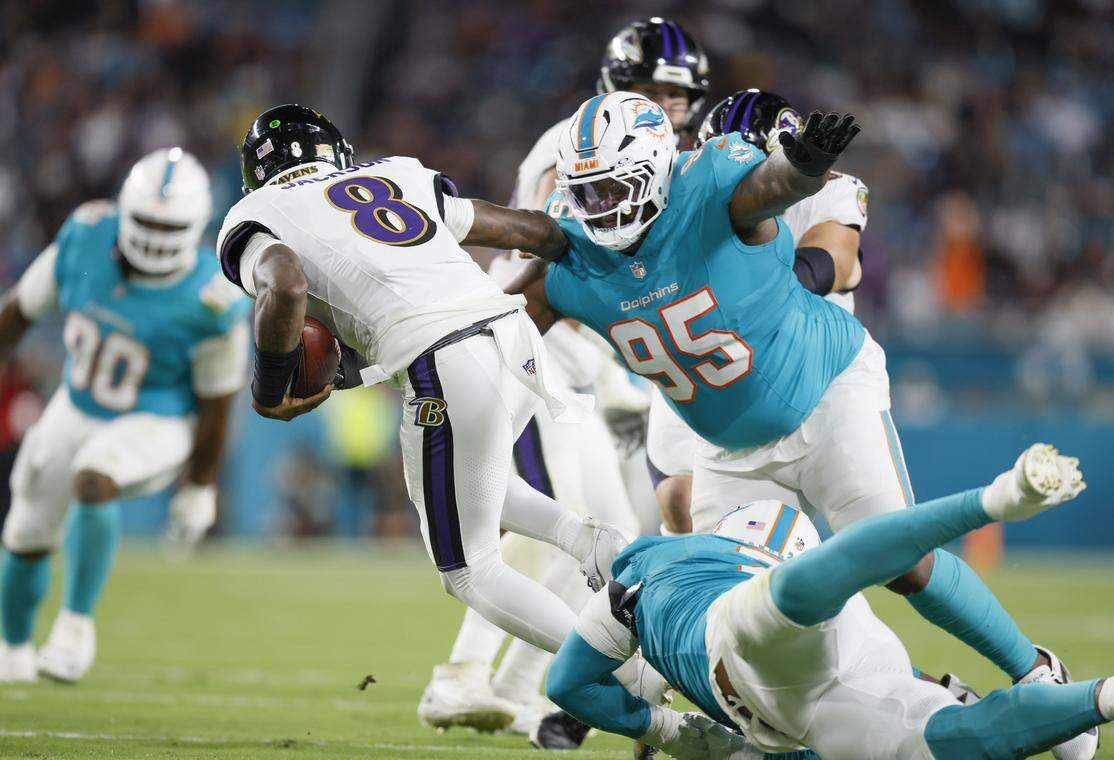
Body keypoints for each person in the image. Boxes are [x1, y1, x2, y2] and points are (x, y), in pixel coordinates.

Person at [510, 91, 1096, 759]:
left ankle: (1037, 671)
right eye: (587, 193)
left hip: (822, 387)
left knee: (899, 561)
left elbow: (817, 246)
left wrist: (756, 244)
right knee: (736, 606)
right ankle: (878, 698)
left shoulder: (764, 190)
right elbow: (509, 312)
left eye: (612, 187)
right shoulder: (604, 246)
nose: (599, 207)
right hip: (723, 429)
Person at [215, 105, 653, 695]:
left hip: (444, 357)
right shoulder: (395, 175)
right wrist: (595, 246)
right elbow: (520, 230)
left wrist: (270, 389)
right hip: (514, 332)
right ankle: (592, 542)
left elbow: (287, 283)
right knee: (485, 489)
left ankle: (628, 671)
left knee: (469, 570)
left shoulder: (253, 214)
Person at [419, 17, 706, 744]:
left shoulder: (659, 146)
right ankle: (459, 678)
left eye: (679, 95)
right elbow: (566, 248)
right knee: (568, 533)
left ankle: (527, 695)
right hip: (536, 348)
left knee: (610, 540)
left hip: (579, 365)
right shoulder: (583, 141)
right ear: (620, 87)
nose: (668, 107)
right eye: (652, 90)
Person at [546, 444, 1114, 759]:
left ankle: (990, 503)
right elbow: (840, 561)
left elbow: (567, 684)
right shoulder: (665, 565)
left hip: (756, 656)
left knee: (795, 602)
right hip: (817, 670)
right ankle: (1112, 694)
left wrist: (671, 732)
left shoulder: (644, 572)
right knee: (944, 741)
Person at [0, 149, 250, 683]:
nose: (157, 236)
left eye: (170, 225)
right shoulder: (84, 235)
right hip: (75, 404)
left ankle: (74, 628)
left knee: (97, 475)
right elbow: (21, 310)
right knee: (25, 530)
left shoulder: (213, 298)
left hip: (156, 420)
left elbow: (216, 404)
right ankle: (13, 653)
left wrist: (200, 487)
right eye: (149, 222)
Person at [647, 88, 868, 535]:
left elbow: (834, 263)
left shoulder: (832, 190)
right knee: (678, 498)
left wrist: (746, 294)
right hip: (709, 362)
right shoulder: (685, 196)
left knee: (879, 545)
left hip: (810, 373)